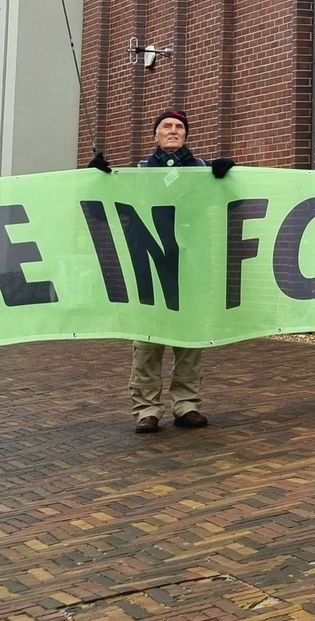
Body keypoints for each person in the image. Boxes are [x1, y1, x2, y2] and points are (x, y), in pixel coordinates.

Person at [89, 108, 233, 433]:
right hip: (149, 266)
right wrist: (97, 180)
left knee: (190, 339)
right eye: (166, 126)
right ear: (155, 134)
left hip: (190, 265)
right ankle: (146, 409)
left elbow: (226, 201)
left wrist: (226, 176)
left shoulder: (203, 171)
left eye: (179, 126)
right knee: (147, 341)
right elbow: (105, 213)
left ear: (186, 134)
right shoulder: (138, 172)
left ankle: (187, 405)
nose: (172, 130)